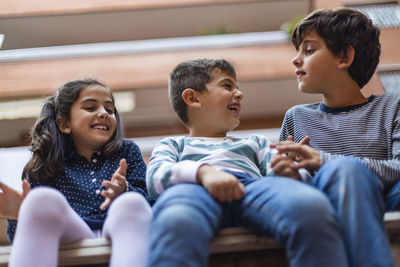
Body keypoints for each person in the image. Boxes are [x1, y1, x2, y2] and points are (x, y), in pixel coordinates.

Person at [146, 58, 350, 267]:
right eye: (227, 85)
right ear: (193, 98)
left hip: (252, 188)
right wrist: (204, 173)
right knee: (176, 219)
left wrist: (291, 173)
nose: (240, 93)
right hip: (193, 190)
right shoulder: (172, 144)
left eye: (238, 87)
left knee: (310, 205)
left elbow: (280, 180)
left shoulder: (256, 142)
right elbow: (155, 178)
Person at [270, 8, 398, 267]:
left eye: (308, 50)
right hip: (324, 203)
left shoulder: (393, 106)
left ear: (344, 56)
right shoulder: (296, 118)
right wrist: (287, 175)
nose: (296, 60)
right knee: (342, 172)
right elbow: (284, 184)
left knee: (346, 169)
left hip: (385, 196)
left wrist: (325, 160)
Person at [1, 78, 152, 267]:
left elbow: (151, 206)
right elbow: (20, 240)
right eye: (90, 108)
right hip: (72, 241)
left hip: (122, 237)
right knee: (40, 199)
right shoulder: (46, 164)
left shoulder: (127, 151)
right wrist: (19, 216)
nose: (104, 113)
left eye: (110, 109)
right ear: (64, 123)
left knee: (132, 202)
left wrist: (125, 190)